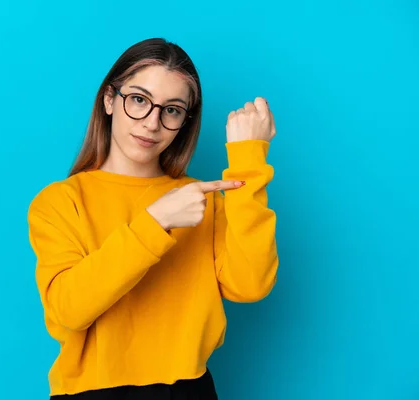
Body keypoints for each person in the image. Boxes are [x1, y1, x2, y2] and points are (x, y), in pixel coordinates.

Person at [27, 37, 278, 399]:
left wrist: (249, 161)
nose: (151, 123)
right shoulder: (61, 201)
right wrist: (155, 220)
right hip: (94, 392)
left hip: (190, 389)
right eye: (139, 101)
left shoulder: (202, 199)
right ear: (110, 99)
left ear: (185, 120)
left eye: (172, 109)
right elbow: (69, 309)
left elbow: (251, 285)